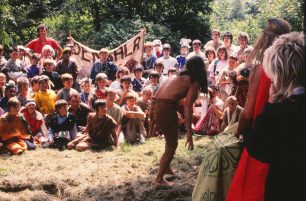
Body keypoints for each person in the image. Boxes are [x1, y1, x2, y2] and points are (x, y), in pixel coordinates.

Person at [226, 18, 292, 201]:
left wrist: (237, 131)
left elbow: (247, 114)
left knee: (250, 190)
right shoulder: (295, 69)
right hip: (288, 141)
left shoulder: (261, 69)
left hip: (260, 141)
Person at [244, 31, 305, 201]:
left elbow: (257, 148)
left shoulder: (279, 112)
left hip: (285, 187)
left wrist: (270, 105)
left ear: (280, 74)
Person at [152, 56, 208, 187]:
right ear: (199, 68)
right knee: (172, 145)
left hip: (157, 105)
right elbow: (188, 107)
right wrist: (189, 132)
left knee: (170, 141)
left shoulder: (176, 76)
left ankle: (166, 168)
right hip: (165, 107)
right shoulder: (193, 82)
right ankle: (159, 179)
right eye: (203, 66)